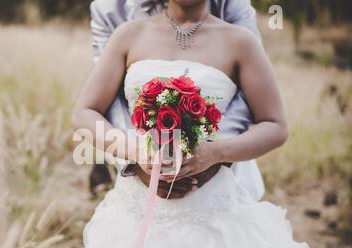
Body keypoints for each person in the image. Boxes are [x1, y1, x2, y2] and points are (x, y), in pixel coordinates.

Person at [65, 0, 341, 248]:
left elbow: (274, 125)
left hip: (210, 202)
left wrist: (214, 154)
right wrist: (135, 151)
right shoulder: (128, 35)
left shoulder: (240, 40)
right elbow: (85, 112)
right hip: (136, 202)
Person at [89, 0, 265, 200]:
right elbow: (107, 100)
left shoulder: (235, 19)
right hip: (140, 166)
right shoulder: (110, 12)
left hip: (220, 173)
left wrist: (211, 154)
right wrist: (139, 156)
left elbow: (249, 96)